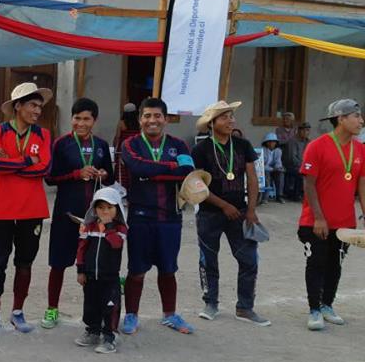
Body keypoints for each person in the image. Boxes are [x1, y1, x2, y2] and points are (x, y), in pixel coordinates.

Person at [0, 83, 52, 333]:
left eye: (40, 106)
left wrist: (12, 163)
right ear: (18, 106)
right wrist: (28, 160)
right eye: (33, 105)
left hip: (33, 209)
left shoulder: (43, 134)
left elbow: (45, 168)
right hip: (2, 209)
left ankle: (18, 312)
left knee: (25, 263)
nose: (37, 111)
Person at [120, 97, 195, 335]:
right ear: (140, 119)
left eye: (157, 116)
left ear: (166, 119)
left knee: (168, 269)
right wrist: (170, 167)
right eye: (147, 116)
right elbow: (137, 168)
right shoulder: (129, 144)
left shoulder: (179, 144)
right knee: (137, 270)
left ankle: (170, 315)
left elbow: (187, 171)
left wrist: (152, 172)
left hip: (170, 216)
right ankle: (131, 315)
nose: (152, 120)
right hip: (140, 215)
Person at [191, 101, 269, 326]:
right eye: (224, 117)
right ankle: (210, 303)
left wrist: (251, 209)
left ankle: (245, 307)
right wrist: (223, 205)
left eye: (231, 116)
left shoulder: (243, 145)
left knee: (249, 259)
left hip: (240, 212)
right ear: (212, 123)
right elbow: (196, 183)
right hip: (209, 213)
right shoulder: (201, 149)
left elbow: (252, 178)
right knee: (208, 259)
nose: (231, 121)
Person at [44, 98, 113, 329]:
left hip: (94, 216)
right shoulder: (61, 144)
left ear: (94, 120)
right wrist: (76, 174)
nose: (81, 123)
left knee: (91, 266)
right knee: (58, 263)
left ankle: (91, 314)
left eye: (86, 119)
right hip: (66, 212)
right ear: (71, 118)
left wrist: (102, 174)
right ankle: (52, 309)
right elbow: (50, 177)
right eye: (77, 118)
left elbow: (110, 177)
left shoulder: (101, 145)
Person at [298, 99, 364, 330]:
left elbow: (362, 186)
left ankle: (327, 305)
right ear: (341, 119)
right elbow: (309, 185)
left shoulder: (361, 149)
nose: (361, 121)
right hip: (315, 221)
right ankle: (314, 310)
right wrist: (318, 217)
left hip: (345, 223)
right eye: (356, 116)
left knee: (335, 265)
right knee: (316, 263)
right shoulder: (317, 146)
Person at [74, 187, 128, 354]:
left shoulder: (120, 228)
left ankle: (109, 337)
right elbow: (82, 249)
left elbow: (116, 244)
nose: (105, 211)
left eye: (109, 208)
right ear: (94, 209)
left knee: (110, 307)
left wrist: (108, 227)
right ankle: (93, 331)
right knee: (90, 305)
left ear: (117, 208)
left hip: (110, 278)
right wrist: (81, 271)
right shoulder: (89, 227)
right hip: (90, 276)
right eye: (101, 208)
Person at [114, 102, 140, 194]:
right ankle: (132, 190)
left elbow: (117, 137)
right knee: (132, 170)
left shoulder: (121, 123)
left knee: (121, 171)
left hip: (122, 151)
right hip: (134, 150)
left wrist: (115, 147)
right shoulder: (139, 123)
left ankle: (121, 190)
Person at [283, 122, 311, 201]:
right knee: (302, 173)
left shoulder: (308, 141)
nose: (306, 132)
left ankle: (308, 195)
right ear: (299, 131)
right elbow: (292, 158)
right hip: (292, 166)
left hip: (303, 165)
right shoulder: (292, 141)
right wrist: (303, 166)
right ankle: (297, 195)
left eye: (308, 130)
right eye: (304, 130)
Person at [261, 132, 285, 204]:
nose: (271, 143)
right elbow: (261, 165)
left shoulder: (278, 151)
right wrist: (272, 169)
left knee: (281, 174)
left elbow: (278, 163)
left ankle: (279, 196)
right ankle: (265, 197)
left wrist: (278, 168)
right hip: (265, 170)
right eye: (269, 141)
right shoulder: (262, 150)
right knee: (267, 175)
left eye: (273, 142)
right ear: (266, 142)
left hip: (274, 170)